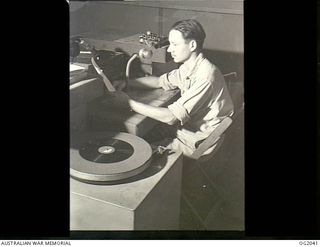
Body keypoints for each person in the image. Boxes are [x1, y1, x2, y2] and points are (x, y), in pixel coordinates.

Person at [111, 19, 234, 158]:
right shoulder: (188, 67)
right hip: (187, 131)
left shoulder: (205, 76)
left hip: (198, 143)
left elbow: (170, 117)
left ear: (192, 45)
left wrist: (128, 103)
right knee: (139, 136)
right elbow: (159, 81)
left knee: (135, 155)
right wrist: (127, 83)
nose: (169, 49)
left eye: (174, 44)